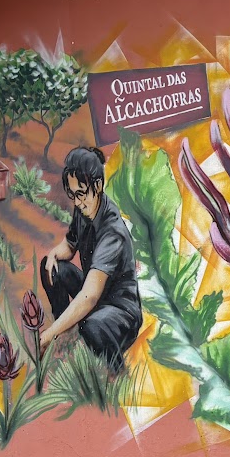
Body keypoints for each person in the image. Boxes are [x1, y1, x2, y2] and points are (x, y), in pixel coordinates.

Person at [39, 146, 143, 373]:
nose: (77, 202)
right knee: (51, 268)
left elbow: (89, 296)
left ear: (97, 186)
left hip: (120, 312)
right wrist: (53, 255)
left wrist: (48, 333)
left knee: (92, 325)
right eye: (73, 194)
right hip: (96, 296)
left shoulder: (112, 231)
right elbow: (69, 245)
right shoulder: (85, 209)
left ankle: (118, 373)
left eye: (81, 193)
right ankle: (66, 334)